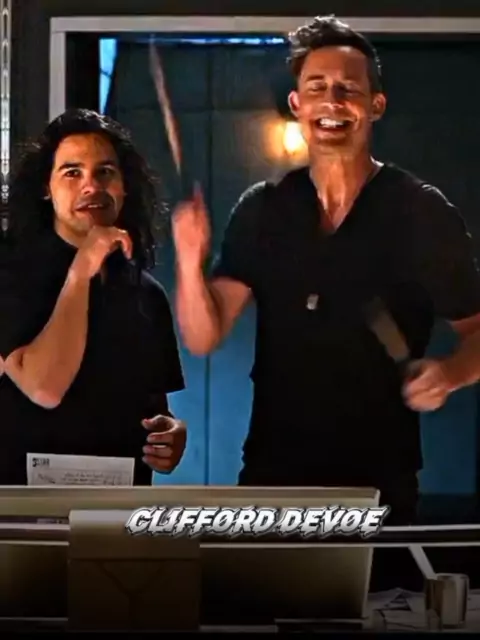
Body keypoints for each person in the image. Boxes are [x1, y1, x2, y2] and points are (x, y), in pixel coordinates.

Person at [172, 16, 480, 527]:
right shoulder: (264, 209)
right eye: (316, 88)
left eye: (348, 89)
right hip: (272, 476)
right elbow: (204, 336)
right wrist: (188, 260)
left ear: (375, 105)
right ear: (297, 104)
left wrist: (449, 374)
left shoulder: (420, 211)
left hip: (380, 482)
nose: (332, 102)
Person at [0, 108, 187, 486]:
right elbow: (44, 388)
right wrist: (82, 269)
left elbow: (154, 408)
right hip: (24, 502)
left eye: (105, 172)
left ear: (124, 186)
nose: (91, 186)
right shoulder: (10, 273)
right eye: (72, 173)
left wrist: (170, 435)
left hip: (117, 502)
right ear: (46, 188)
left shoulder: (147, 293)